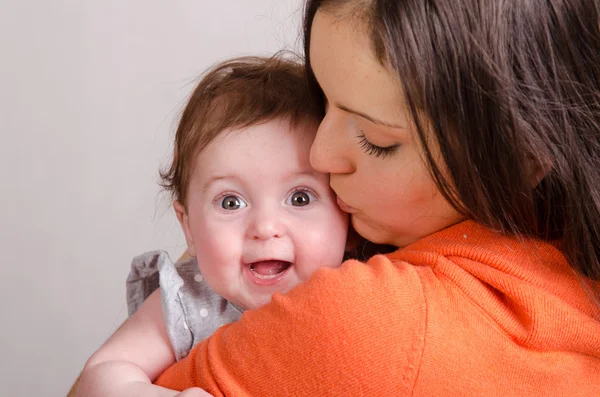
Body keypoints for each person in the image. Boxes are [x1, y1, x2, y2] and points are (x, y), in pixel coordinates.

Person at [146, 0, 600, 395]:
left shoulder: (377, 327)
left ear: (524, 158)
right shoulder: (568, 281)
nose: (320, 156)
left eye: (374, 139)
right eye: (322, 101)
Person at [75, 55, 350, 397]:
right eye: (230, 202)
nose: (265, 228)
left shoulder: (363, 289)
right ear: (187, 226)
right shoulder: (188, 300)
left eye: (300, 198)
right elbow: (103, 373)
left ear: (347, 209)